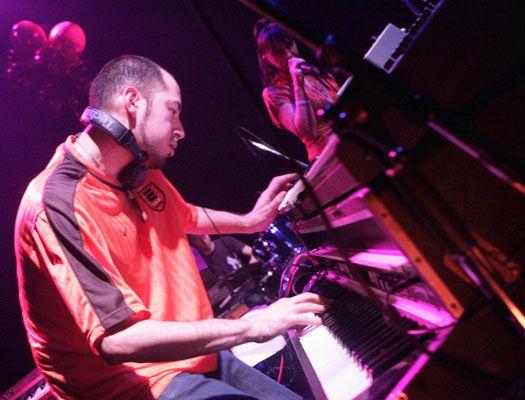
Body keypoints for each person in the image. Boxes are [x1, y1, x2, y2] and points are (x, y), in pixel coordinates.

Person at [14, 55, 326, 400]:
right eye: (173, 111)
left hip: (190, 355)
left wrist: (250, 221)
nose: (181, 129)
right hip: (130, 385)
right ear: (132, 101)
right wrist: (253, 325)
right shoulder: (57, 203)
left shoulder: (138, 170)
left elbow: (182, 214)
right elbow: (118, 339)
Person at [253, 18, 341, 163]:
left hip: (349, 141)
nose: (288, 54)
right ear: (266, 59)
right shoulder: (274, 93)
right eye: (278, 52)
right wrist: (297, 85)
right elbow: (308, 133)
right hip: (327, 157)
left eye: (289, 45)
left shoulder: (313, 70)